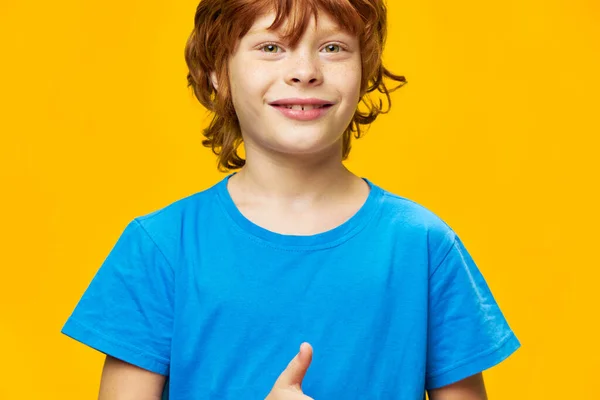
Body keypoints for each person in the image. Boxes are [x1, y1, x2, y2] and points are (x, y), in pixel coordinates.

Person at [61, 0, 521, 399]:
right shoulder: (160, 247)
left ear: (366, 70)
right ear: (217, 72)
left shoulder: (425, 247)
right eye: (271, 47)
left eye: (333, 47)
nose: (305, 71)